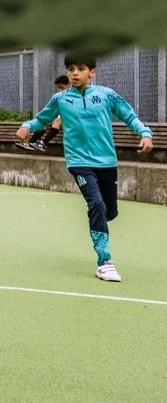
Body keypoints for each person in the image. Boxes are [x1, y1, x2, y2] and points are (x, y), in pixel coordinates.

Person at [16, 54, 153, 282]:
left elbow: (129, 116)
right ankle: (104, 261)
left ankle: (99, 218)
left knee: (109, 211)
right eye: (71, 69)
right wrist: (27, 126)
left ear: (92, 72)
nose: (75, 73)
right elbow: (42, 119)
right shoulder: (60, 99)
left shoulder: (106, 95)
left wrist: (145, 134)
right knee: (96, 204)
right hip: (79, 162)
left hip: (107, 162)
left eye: (80, 68)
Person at [15, 74, 69, 152]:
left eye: (62, 88)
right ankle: (33, 142)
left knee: (57, 120)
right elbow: (42, 120)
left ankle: (41, 142)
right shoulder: (58, 98)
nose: (61, 91)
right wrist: (26, 126)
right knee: (53, 121)